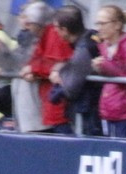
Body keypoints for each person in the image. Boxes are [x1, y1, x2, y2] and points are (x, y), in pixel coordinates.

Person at [91, 4, 126, 138]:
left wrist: (106, 66)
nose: (99, 28)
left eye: (103, 23)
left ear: (117, 25)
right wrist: (99, 69)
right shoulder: (104, 46)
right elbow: (110, 73)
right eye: (98, 23)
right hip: (109, 112)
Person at [21, 1, 73, 133]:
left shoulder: (55, 36)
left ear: (38, 24)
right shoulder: (42, 36)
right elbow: (36, 58)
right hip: (49, 99)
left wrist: (33, 69)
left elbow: (60, 63)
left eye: (29, 23)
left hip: (60, 101)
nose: (25, 27)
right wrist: (31, 69)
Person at [49, 4, 101, 136]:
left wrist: (60, 76)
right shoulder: (93, 36)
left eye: (56, 28)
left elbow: (70, 88)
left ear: (65, 30)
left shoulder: (83, 50)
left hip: (88, 112)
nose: (54, 31)